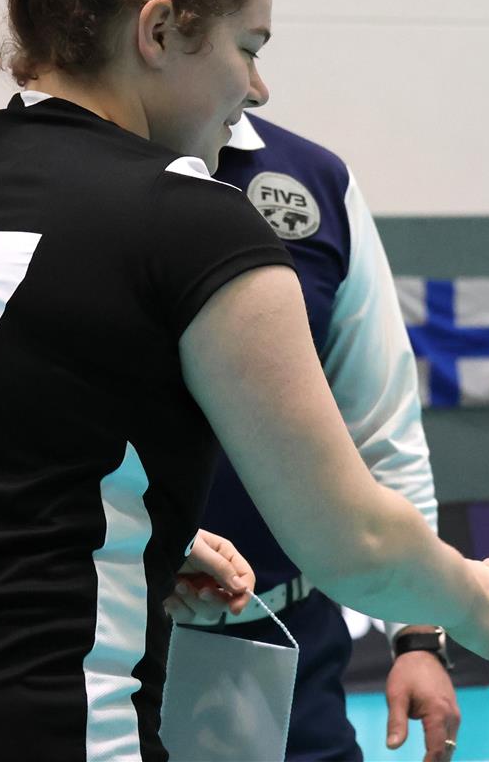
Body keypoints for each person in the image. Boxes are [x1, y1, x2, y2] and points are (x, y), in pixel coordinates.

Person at [0, 0, 489, 762]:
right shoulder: (193, 218)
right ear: (159, 32)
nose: (257, 87)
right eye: (248, 47)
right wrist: (488, 604)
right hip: (55, 722)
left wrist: (144, 539)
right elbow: (353, 541)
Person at [183, 110, 459, 762]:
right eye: (248, 57)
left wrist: (418, 634)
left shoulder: (316, 181)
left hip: (292, 640)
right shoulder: (69, 182)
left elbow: (383, 429)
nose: (260, 88)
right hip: (107, 638)